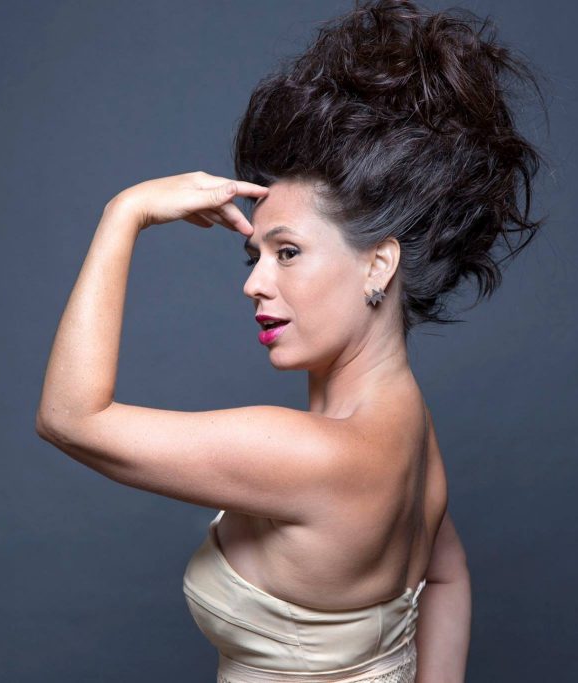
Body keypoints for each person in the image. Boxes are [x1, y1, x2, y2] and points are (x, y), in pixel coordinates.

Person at [35, 0, 547, 680]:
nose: (254, 284)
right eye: (255, 257)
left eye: (288, 252)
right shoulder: (410, 434)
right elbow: (447, 577)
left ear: (378, 264)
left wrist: (123, 213)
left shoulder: (312, 455)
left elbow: (69, 418)